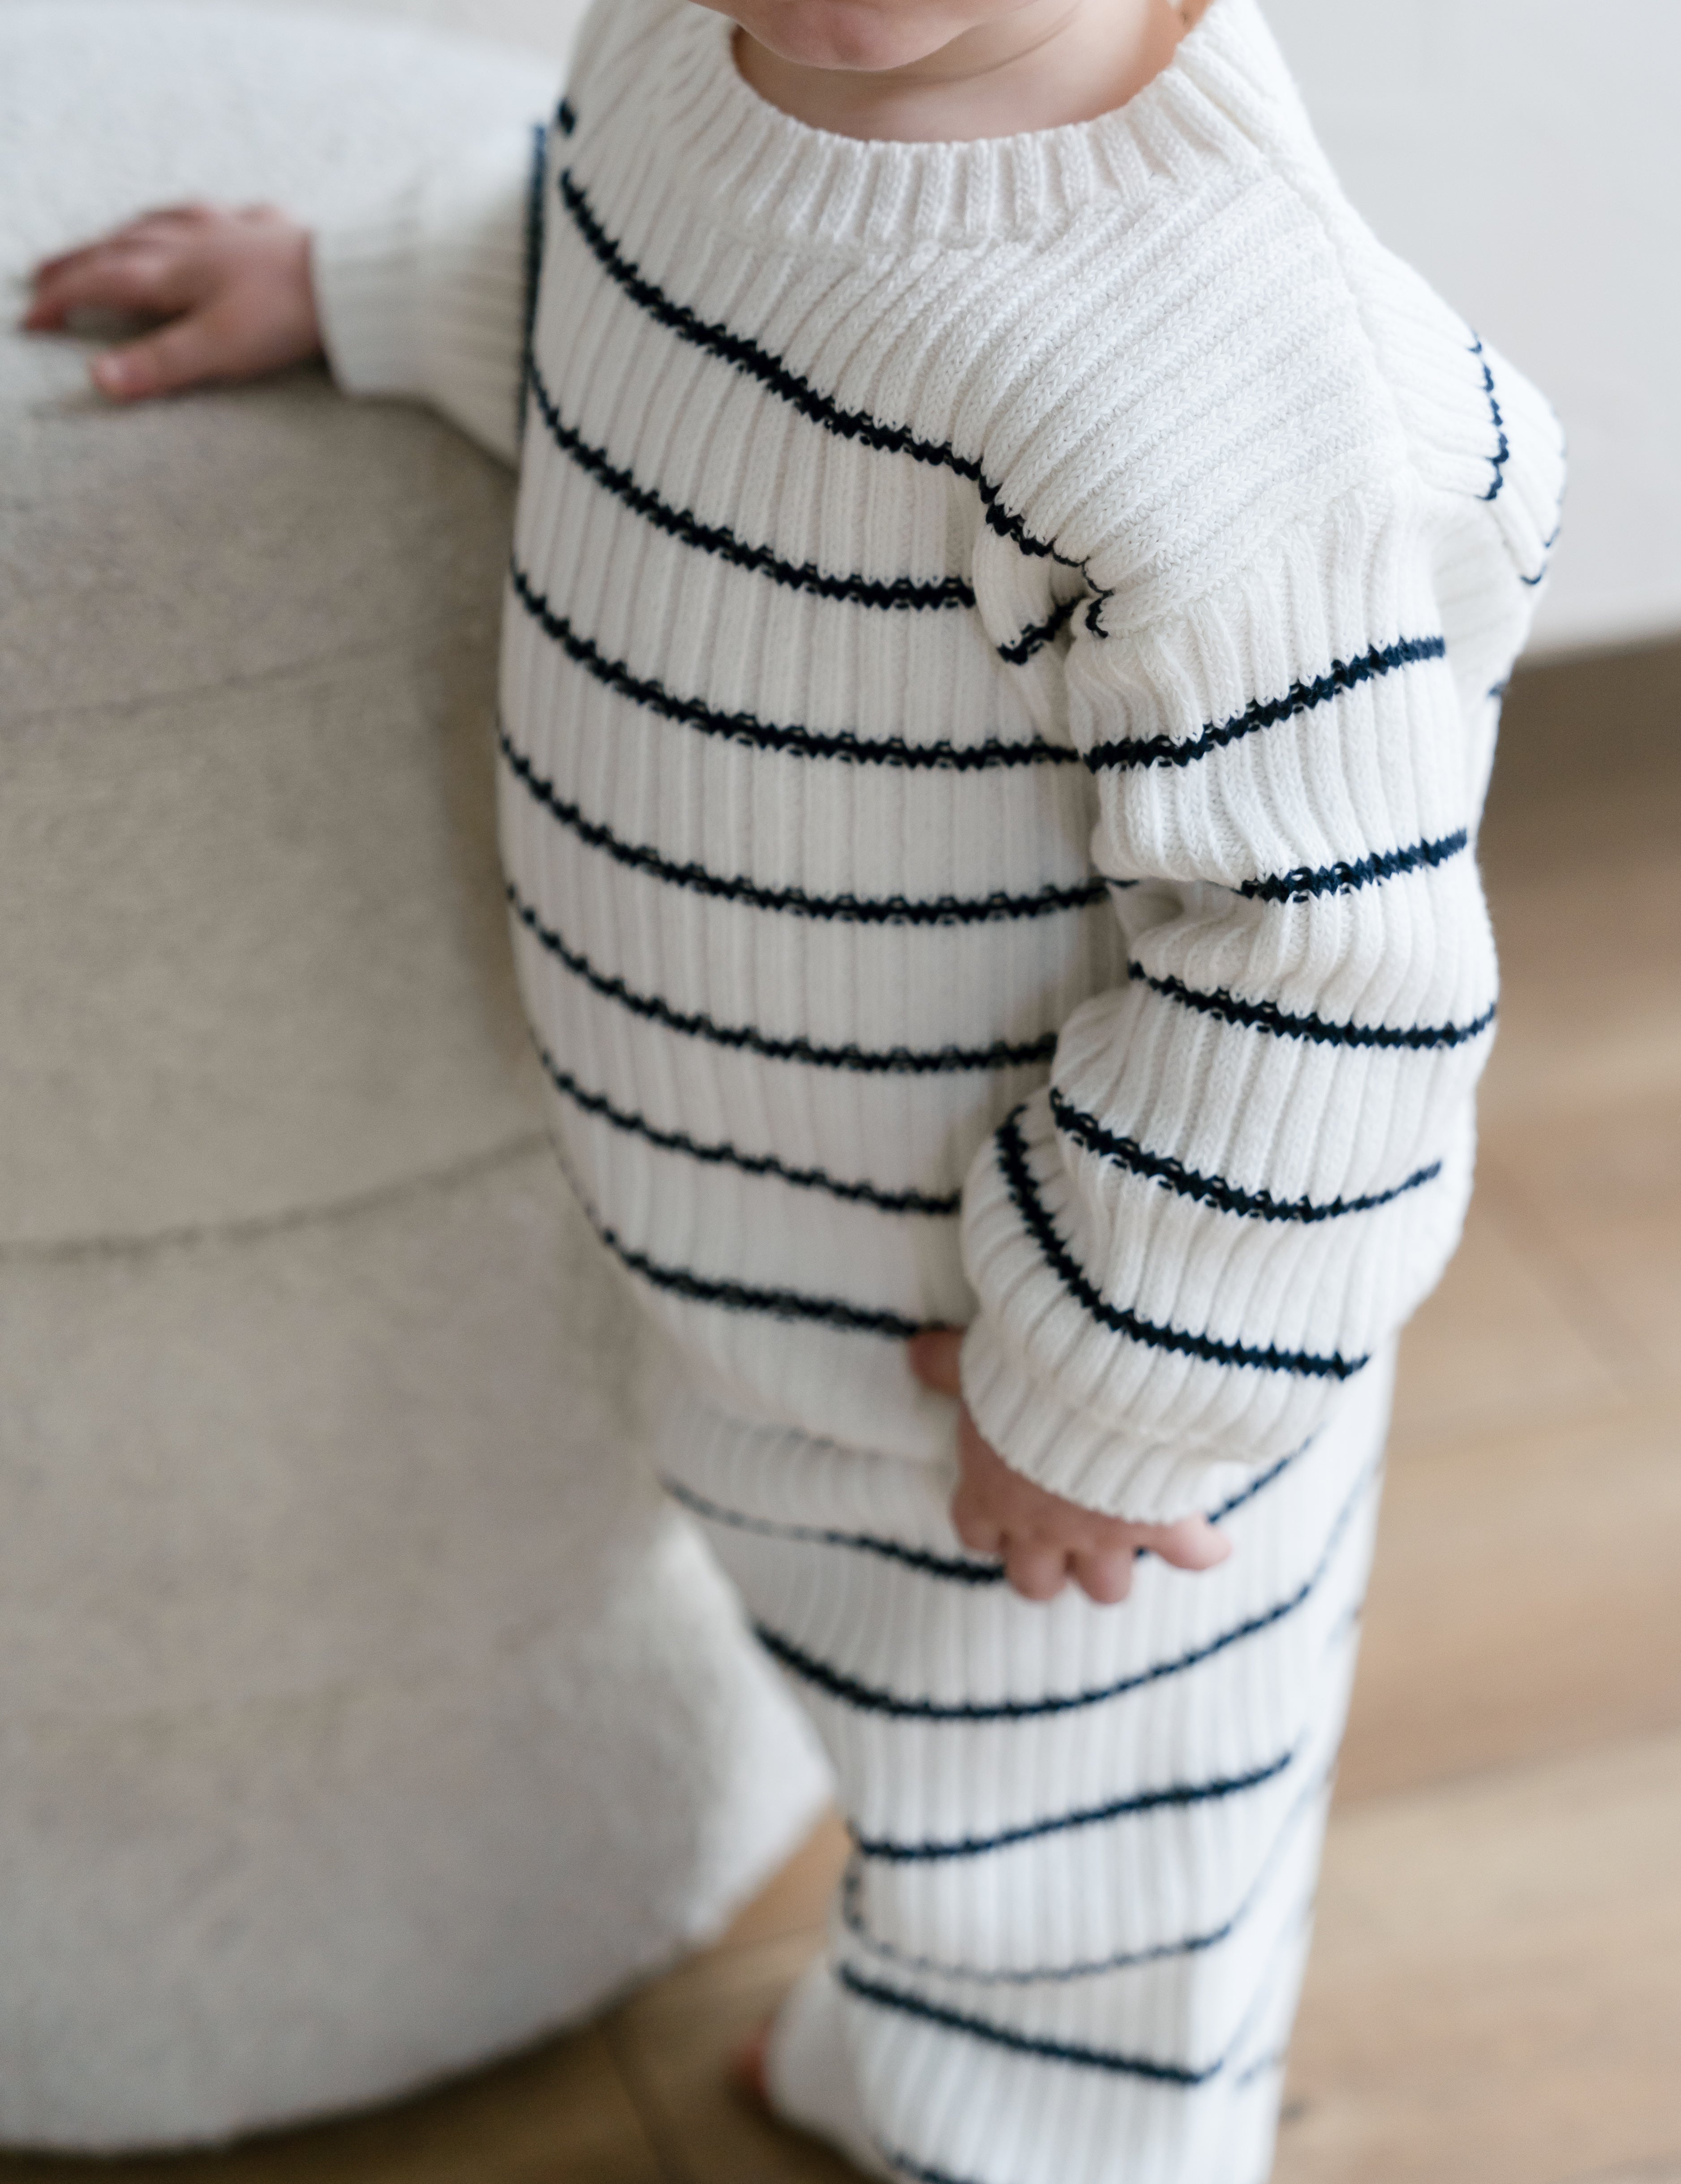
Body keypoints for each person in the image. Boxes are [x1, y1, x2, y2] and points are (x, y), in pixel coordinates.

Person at [24, 1, 1563, 2176]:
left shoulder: (1220, 382)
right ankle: (910, 2046)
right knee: (910, 1755)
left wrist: (1105, 1390)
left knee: (1084, 1877)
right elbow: (634, 263)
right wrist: (366, 283)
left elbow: (1338, 979)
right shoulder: (696, 37)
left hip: (1056, 1382)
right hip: (781, 1274)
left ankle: (1033, 2133)